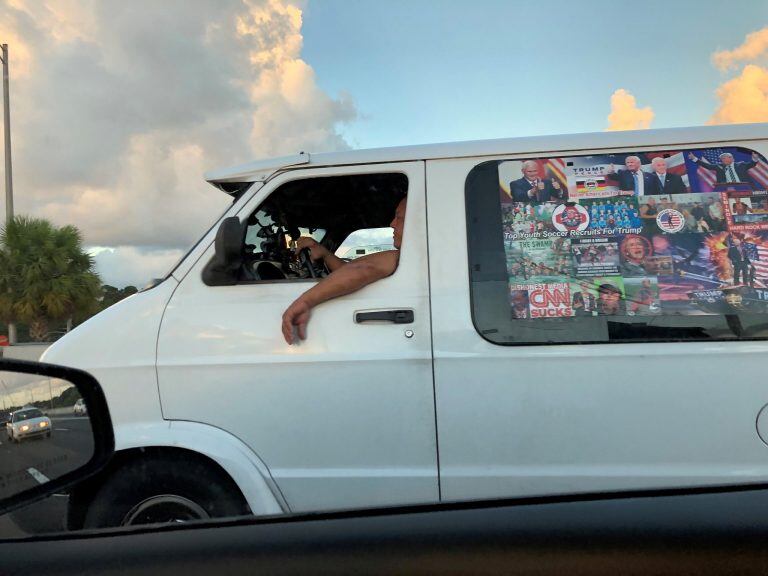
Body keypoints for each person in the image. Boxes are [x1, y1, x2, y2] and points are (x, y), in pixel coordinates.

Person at [281, 197, 406, 344]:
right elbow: (349, 272)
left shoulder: (405, 257)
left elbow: (362, 269)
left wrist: (304, 302)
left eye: (399, 217)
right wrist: (325, 253)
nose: (392, 224)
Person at [688, 151, 760, 185]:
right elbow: (708, 166)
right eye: (722, 159)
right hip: (726, 188)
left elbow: (752, 164)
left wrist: (755, 158)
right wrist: (694, 158)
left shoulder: (741, 165)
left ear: (731, 158)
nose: (722, 160)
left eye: (724, 158)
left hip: (744, 186)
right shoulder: (719, 167)